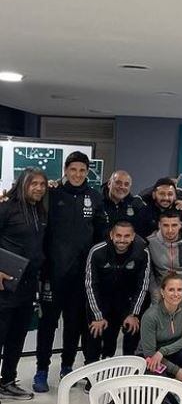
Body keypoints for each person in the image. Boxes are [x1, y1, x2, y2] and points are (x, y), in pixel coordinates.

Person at [34, 151, 107, 393]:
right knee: (47, 324)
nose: (77, 174)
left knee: (74, 325)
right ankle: (41, 370)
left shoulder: (95, 198)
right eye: (73, 169)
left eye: (82, 171)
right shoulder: (52, 195)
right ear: (66, 170)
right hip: (53, 274)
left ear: (88, 172)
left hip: (81, 276)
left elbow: (100, 238)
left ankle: (67, 367)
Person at [0, 168, 47, 399]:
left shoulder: (38, 209)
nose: (38, 188)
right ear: (23, 184)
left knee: (17, 337)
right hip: (5, 285)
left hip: (28, 285)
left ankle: (7, 381)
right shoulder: (6, 207)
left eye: (42, 184)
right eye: (33, 183)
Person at [85, 221, 150, 364]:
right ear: (111, 235)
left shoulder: (142, 252)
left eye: (127, 236)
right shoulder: (97, 251)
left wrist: (133, 314)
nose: (122, 240)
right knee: (96, 334)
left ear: (133, 237)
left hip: (127, 301)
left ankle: (129, 372)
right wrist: (97, 316)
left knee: (132, 331)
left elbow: (143, 285)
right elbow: (90, 285)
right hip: (101, 300)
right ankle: (92, 374)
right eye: (118, 235)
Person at [139, 273, 182, 387]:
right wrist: (176, 370)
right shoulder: (150, 316)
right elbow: (149, 353)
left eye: (179, 289)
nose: (176, 294)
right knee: (163, 387)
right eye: (171, 290)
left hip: (168, 352)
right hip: (150, 357)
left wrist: (163, 351)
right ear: (162, 292)